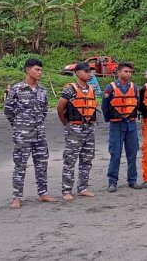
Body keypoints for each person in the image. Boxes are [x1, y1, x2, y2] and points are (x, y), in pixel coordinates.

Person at [5, 59, 57, 209]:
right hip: (22, 134)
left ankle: (43, 193)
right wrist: (19, 125)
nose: (40, 72)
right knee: (20, 165)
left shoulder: (42, 90)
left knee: (42, 164)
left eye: (41, 70)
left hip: (39, 134)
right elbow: (8, 111)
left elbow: (44, 110)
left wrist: (37, 123)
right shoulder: (17, 89)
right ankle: (17, 197)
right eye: (37, 69)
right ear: (28, 70)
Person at [57, 62, 98, 201]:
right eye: (86, 71)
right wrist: (66, 124)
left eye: (90, 71)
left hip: (89, 128)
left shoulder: (92, 89)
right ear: (77, 73)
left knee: (87, 159)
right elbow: (60, 107)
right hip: (74, 128)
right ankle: (66, 190)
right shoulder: (70, 89)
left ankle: (83, 188)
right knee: (70, 160)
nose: (89, 73)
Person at [102, 62, 142, 192]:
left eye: (130, 72)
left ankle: (132, 180)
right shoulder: (110, 87)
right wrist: (111, 119)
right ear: (118, 72)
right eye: (125, 71)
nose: (128, 74)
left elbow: (137, 103)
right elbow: (105, 106)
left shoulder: (134, 87)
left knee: (132, 153)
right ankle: (112, 182)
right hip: (117, 125)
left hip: (131, 125)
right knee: (115, 154)